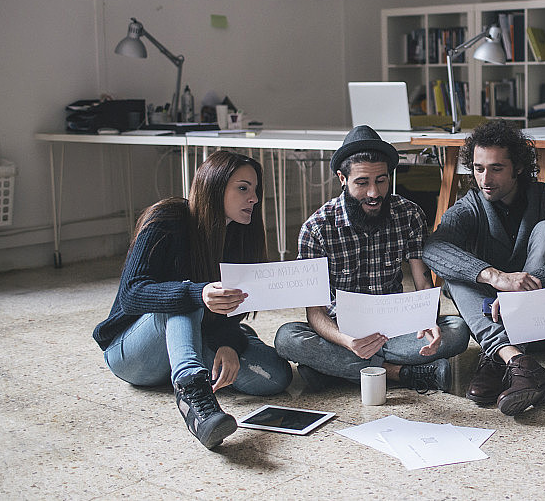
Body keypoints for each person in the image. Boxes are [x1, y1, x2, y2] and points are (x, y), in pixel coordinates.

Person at [93, 151, 292, 449]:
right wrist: (196, 293)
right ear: (214, 186)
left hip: (197, 335)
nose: (253, 198)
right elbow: (131, 294)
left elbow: (234, 305)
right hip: (132, 353)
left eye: (255, 189)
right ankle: (194, 398)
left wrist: (227, 339)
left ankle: (205, 354)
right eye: (243, 188)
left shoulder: (241, 235)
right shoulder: (167, 218)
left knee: (276, 376)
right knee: (185, 298)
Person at [274, 125, 470, 392]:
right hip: (341, 333)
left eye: (381, 180)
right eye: (362, 182)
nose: (374, 193)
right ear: (342, 178)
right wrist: (347, 342)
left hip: (397, 329)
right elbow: (315, 312)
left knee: (457, 329)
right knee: (288, 338)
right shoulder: (316, 228)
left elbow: (423, 284)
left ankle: (335, 371)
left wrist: (428, 320)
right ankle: (398, 373)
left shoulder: (409, 214)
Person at [423, 120, 545, 416]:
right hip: (490, 317)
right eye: (478, 168)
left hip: (541, 320)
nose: (485, 178)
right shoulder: (469, 207)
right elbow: (433, 248)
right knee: (457, 276)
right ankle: (514, 361)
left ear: (519, 168)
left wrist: (524, 287)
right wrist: (495, 276)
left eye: (496, 168)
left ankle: (499, 358)